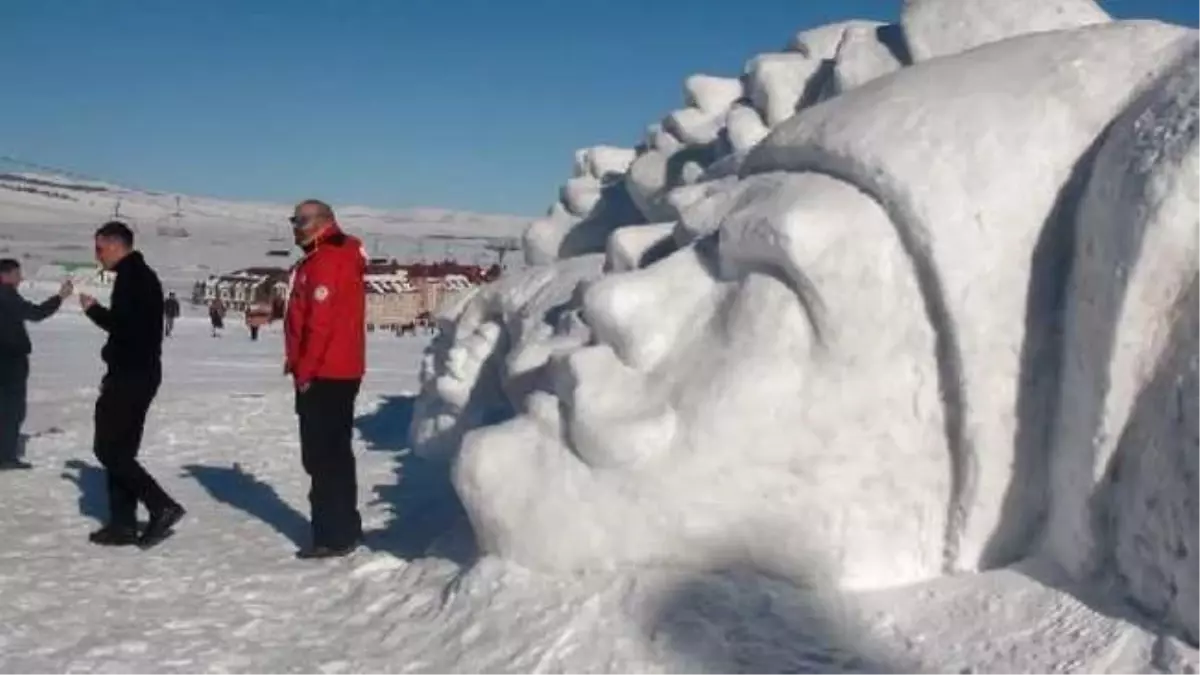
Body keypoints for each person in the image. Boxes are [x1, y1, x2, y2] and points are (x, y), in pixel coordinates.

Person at [80, 221, 185, 547]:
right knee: (121, 450)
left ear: (114, 245)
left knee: (108, 448)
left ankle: (161, 505)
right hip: (140, 372)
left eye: (99, 248)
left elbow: (125, 327)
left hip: (129, 374)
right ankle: (122, 524)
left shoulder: (131, 277)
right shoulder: (140, 275)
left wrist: (94, 311)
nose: (97, 256)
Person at [285, 199, 366, 559]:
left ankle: (334, 536)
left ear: (324, 222)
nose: (295, 227)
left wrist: (306, 370)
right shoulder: (325, 256)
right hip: (335, 369)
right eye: (294, 220)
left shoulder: (328, 259)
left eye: (302, 220)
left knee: (323, 456)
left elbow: (321, 322)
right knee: (333, 454)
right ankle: (342, 528)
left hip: (327, 372)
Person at [0, 260, 72, 470]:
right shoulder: (6, 295)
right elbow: (36, 313)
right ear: (5, 275)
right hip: (10, 360)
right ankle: (5, 457)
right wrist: (60, 297)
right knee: (12, 410)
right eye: (17, 274)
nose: (20, 278)